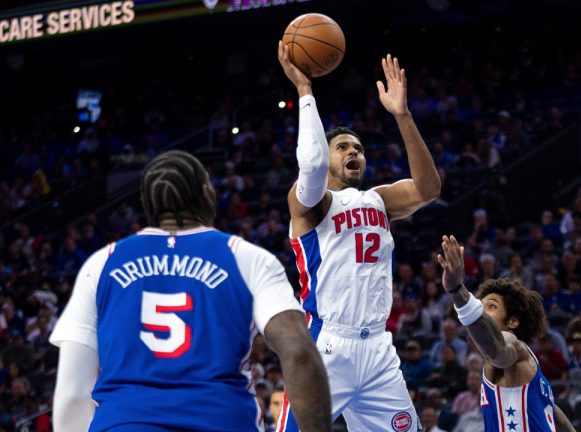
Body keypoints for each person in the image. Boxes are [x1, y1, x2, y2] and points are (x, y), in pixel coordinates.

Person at [49, 150, 331, 432]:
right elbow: (298, 351)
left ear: (149, 206)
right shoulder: (248, 258)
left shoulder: (101, 264)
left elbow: (72, 395)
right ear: (207, 196)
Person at [277, 41, 441, 431]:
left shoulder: (379, 199)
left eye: (359, 148)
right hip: (326, 345)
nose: (353, 152)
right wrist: (305, 91)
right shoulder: (310, 203)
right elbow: (312, 164)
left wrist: (401, 115)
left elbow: (429, 188)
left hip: (379, 351)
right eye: (343, 147)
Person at [437, 235, 575, 431]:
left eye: (491, 306)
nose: (482, 312)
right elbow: (554, 412)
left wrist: (457, 291)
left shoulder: (512, 343)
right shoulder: (534, 375)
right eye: (480, 306)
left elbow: (500, 353)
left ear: (513, 321)